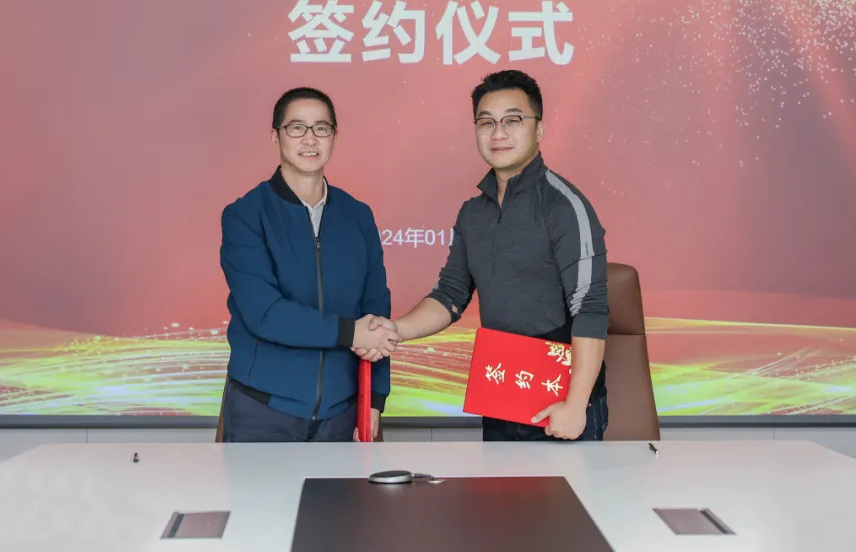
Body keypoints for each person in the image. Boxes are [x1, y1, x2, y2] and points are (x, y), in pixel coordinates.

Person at [357, 69, 609, 441]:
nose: (498, 133)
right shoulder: (473, 213)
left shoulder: (564, 206)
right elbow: (450, 295)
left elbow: (590, 308)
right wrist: (395, 331)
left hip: (562, 402)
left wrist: (575, 405)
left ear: (539, 128)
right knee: (498, 482)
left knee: (564, 484)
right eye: (486, 122)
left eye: (513, 120)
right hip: (502, 391)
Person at [219, 87, 399, 442]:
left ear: (334, 137)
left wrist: (375, 398)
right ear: (275, 137)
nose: (310, 139)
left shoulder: (357, 216)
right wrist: (350, 332)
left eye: (321, 128)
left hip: (342, 411)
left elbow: (376, 311)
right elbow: (264, 313)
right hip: (263, 409)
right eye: (297, 127)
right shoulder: (245, 215)